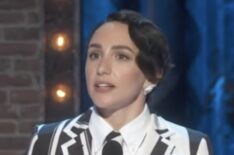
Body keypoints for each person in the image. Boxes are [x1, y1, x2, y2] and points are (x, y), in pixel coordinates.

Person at [27, 10, 212, 155]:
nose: (101, 68)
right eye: (94, 55)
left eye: (121, 57)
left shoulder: (188, 147)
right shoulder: (48, 141)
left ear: (152, 75)